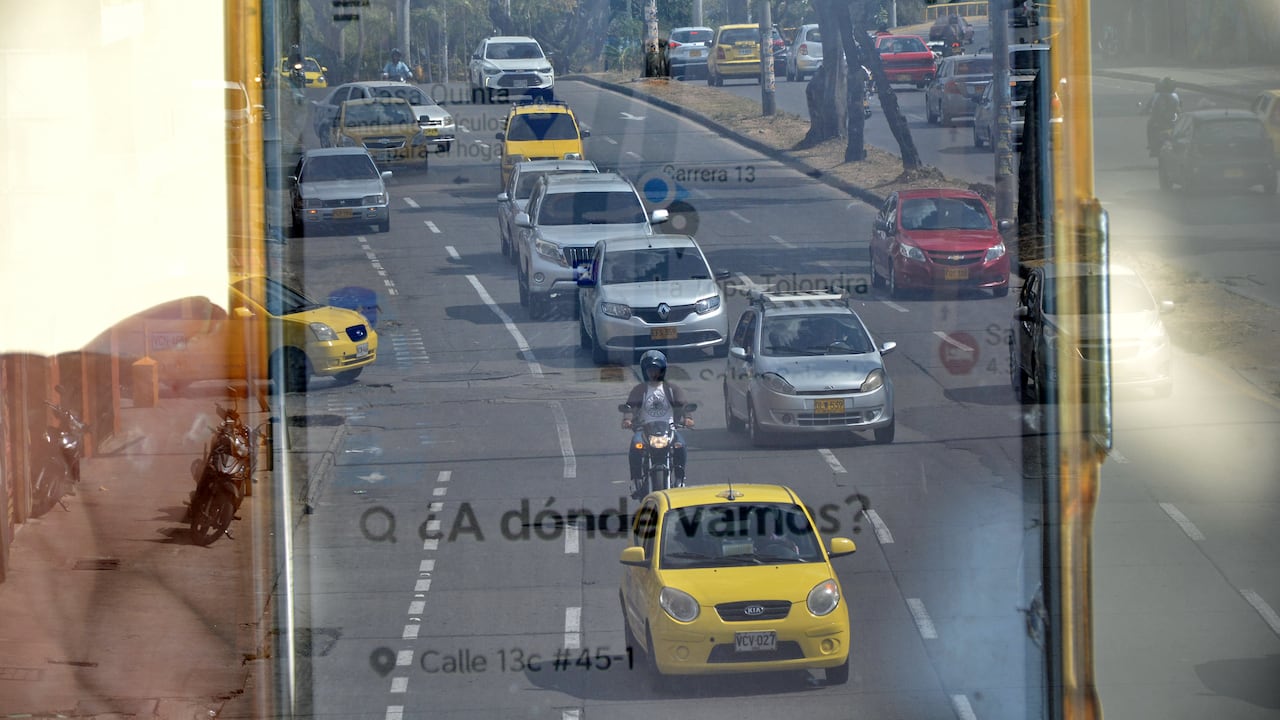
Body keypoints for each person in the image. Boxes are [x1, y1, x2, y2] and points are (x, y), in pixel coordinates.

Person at [621, 350, 694, 499]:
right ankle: (636, 481)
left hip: (670, 428)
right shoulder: (639, 390)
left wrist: (688, 418)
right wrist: (627, 420)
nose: (653, 373)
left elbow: (684, 405)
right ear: (645, 371)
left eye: (657, 370)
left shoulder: (672, 389)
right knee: (635, 445)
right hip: (644, 430)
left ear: (663, 370)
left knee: (680, 445)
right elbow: (630, 407)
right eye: (650, 370)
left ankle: (680, 479)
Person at [1144, 76, 1181, 156]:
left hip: (1162, 119)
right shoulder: (1175, 95)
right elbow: (1179, 108)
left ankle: (1151, 144)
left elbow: (1152, 107)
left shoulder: (1158, 95)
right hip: (1170, 119)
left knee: (1150, 125)